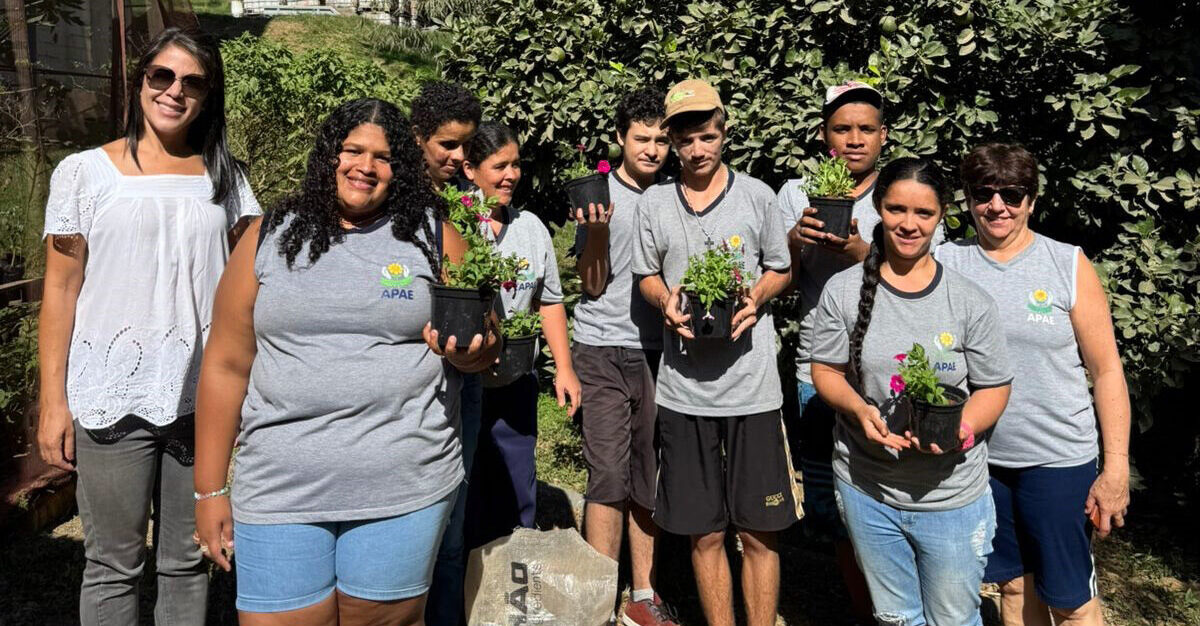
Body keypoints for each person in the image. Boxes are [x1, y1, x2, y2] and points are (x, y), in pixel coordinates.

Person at [192, 98, 499, 624]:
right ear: (327, 156)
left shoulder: (432, 235)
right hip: (279, 483)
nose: (365, 166)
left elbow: (485, 336)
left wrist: (475, 353)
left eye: (382, 157)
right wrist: (210, 490)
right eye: (352, 150)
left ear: (398, 168)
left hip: (402, 482)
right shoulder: (268, 236)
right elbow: (224, 365)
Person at [36, 27, 259, 626]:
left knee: (190, 560)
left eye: (192, 82)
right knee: (112, 563)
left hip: (200, 400)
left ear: (208, 95)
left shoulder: (228, 180)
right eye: (161, 76)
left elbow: (250, 288)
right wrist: (52, 401)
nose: (174, 91)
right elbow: (59, 291)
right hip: (112, 397)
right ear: (140, 82)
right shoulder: (83, 175)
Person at [810, 157, 1013, 626]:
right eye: (897, 209)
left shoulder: (967, 300)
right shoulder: (843, 291)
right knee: (896, 616)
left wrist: (961, 428)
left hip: (950, 497)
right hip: (867, 488)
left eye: (923, 213)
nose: (908, 224)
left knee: (954, 618)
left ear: (942, 215)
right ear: (879, 208)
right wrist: (859, 409)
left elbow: (994, 388)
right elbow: (826, 370)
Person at [937, 144, 1131, 626]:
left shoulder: (1066, 264)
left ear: (1032, 199)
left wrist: (1117, 469)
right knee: (1013, 585)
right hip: (982, 459)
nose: (997, 205)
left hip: (1057, 459)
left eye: (1012, 194)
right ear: (967, 198)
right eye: (983, 193)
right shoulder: (945, 262)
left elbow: (1106, 369)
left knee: (1070, 600)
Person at [633, 79, 801, 626]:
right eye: (686, 141)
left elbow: (781, 267)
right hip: (685, 392)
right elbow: (647, 275)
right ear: (673, 143)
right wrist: (664, 303)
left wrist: (754, 297)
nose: (697, 150)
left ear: (724, 133)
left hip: (752, 389)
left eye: (707, 137)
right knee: (703, 532)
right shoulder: (656, 202)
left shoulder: (757, 196)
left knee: (758, 530)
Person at [776, 80, 944, 624]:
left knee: (895, 496)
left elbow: (928, 281)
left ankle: (903, 605)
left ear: (883, 135)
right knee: (834, 503)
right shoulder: (797, 193)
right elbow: (782, 277)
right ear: (825, 136)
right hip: (818, 370)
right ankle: (866, 608)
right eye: (841, 129)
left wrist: (859, 250)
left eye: (865, 129)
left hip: (895, 377)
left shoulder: (904, 196)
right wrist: (796, 243)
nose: (853, 139)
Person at [571, 87, 676, 626]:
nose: (653, 148)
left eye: (662, 138)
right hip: (601, 348)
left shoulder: (678, 197)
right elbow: (590, 286)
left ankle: (643, 595)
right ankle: (596, 598)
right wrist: (598, 232)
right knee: (608, 473)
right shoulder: (595, 193)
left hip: (662, 353)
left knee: (648, 475)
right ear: (620, 139)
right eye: (642, 138)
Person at [461, 121, 581, 549]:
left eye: (516, 165)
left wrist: (563, 368)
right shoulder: (453, 225)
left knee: (515, 482)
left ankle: (513, 571)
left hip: (515, 380)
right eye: (499, 166)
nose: (510, 175)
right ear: (470, 169)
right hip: (461, 380)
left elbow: (549, 302)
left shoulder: (531, 229)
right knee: (465, 487)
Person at [410, 80, 485, 626]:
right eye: (448, 146)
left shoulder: (461, 203)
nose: (460, 158)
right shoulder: (394, 204)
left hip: (463, 370)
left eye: (467, 146)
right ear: (416, 139)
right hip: (411, 387)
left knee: (454, 519)